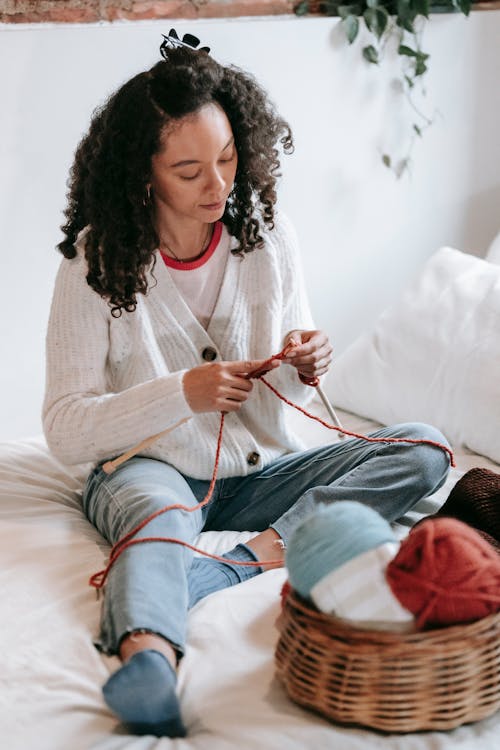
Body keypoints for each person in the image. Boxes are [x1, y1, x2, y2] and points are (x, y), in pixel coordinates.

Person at [43, 30, 451, 738]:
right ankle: (148, 660)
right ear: (145, 172)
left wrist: (309, 356)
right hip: (149, 470)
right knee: (160, 523)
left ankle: (240, 563)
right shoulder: (96, 261)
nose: (220, 186)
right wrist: (182, 393)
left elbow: (293, 366)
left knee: (426, 449)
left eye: (229, 159)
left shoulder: (268, 238)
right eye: (190, 169)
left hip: (264, 470)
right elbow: (65, 426)